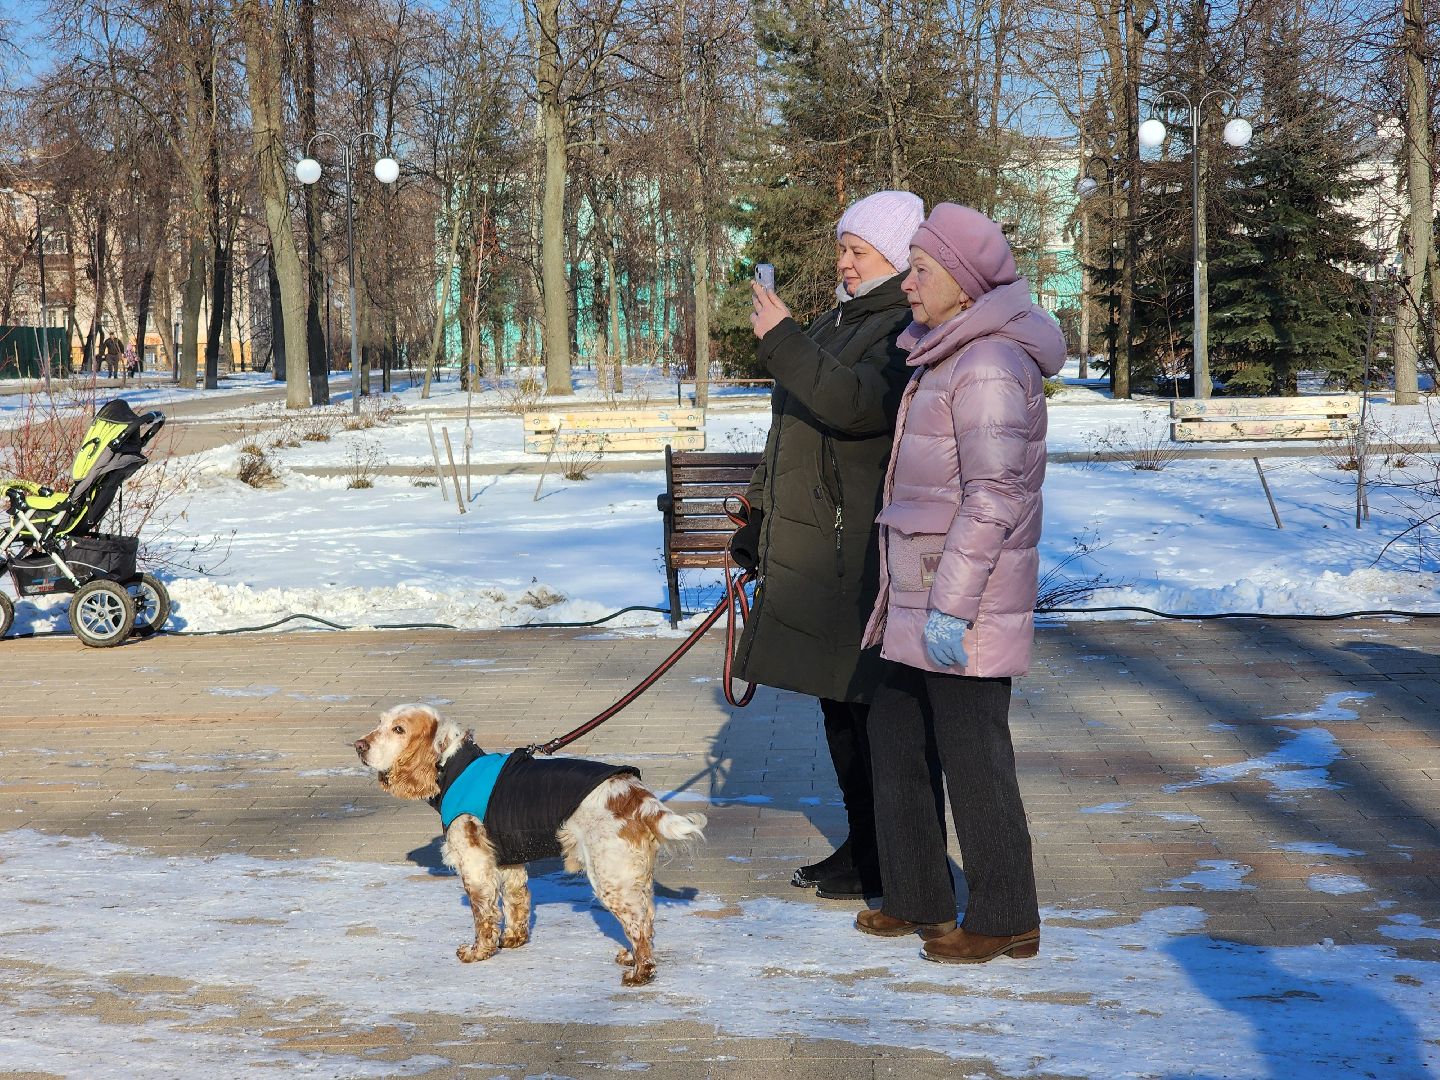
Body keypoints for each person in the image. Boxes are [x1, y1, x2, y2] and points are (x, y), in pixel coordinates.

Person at [856, 203, 1065, 963]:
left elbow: (994, 496)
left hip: (961, 597)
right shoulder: (946, 352)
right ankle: (919, 896)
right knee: (896, 734)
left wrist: (951, 607)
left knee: (975, 751)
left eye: (921, 271)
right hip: (919, 587)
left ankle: (1009, 914)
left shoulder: (987, 364)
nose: (907, 285)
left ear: (966, 284)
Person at [730, 189, 932, 901]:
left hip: (859, 552)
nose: (843, 263)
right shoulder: (840, 319)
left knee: (866, 708)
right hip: (820, 546)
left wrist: (782, 338)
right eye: (842, 249)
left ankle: (890, 850)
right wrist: (759, 511)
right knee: (836, 705)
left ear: (898, 256)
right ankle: (867, 845)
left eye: (858, 251)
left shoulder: (901, 327)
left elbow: (854, 407)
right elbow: (793, 424)